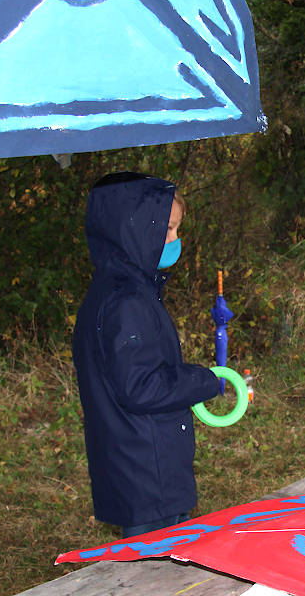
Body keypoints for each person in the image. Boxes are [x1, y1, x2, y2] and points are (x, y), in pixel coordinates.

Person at [72, 171, 220, 538]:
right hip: (146, 469)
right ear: (136, 229)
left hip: (137, 460)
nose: (175, 240)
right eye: (167, 229)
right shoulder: (127, 301)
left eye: (177, 229)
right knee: (158, 564)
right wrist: (204, 380)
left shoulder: (121, 289)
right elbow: (141, 386)